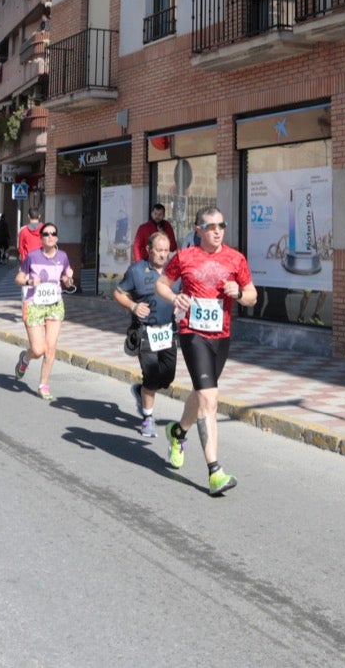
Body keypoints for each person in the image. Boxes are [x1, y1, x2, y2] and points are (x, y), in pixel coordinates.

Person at [154, 206, 255, 496]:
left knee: (201, 395)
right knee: (210, 399)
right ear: (198, 229)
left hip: (221, 336)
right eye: (211, 226)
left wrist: (240, 294)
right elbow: (161, 284)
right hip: (192, 333)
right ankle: (215, 472)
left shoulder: (236, 258)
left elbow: (252, 294)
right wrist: (175, 297)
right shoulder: (185, 257)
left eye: (221, 225)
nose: (217, 230)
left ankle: (177, 432)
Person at [114, 228, 177, 436]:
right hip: (146, 332)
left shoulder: (174, 271)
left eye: (166, 250)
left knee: (167, 376)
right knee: (151, 375)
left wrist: (181, 305)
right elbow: (118, 292)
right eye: (159, 250)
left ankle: (141, 391)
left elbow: (183, 292)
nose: (163, 255)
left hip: (168, 331)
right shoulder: (137, 271)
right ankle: (148, 418)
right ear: (149, 250)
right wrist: (133, 307)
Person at [14, 221, 72, 401]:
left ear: (57, 238)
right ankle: (25, 358)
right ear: (41, 238)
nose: (49, 237)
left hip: (54, 304)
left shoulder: (62, 256)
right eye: (46, 234)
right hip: (34, 304)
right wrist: (30, 282)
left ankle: (43, 384)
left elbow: (66, 280)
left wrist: (68, 279)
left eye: (53, 234)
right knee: (38, 350)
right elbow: (19, 278)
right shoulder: (32, 256)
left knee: (50, 348)